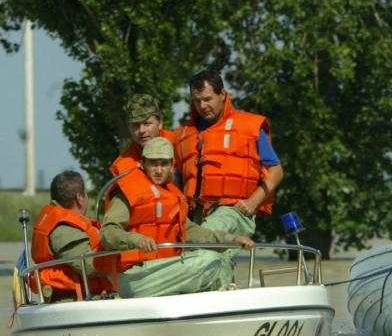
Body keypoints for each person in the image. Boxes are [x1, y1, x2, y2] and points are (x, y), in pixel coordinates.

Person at [99, 137, 255, 298]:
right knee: (209, 260)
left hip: (162, 268)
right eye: (153, 163)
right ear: (143, 163)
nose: (159, 170)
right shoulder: (127, 191)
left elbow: (192, 231)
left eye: (164, 164)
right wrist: (136, 240)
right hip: (135, 276)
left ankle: (223, 307)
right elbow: (107, 233)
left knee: (220, 259)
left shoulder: (173, 194)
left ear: (172, 165)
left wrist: (232, 239)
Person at [175, 69, 283, 237]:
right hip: (195, 213)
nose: (202, 106)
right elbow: (177, 182)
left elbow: (276, 171)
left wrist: (252, 202)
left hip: (234, 210)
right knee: (205, 258)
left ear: (223, 95)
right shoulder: (182, 134)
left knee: (203, 245)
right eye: (197, 101)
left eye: (207, 99)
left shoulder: (249, 126)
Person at [28, 171, 115, 302]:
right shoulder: (64, 229)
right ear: (79, 197)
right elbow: (89, 265)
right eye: (85, 194)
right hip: (73, 300)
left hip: (86, 297)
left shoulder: (66, 223)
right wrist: (123, 256)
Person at [108, 93, 178, 177]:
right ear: (128, 127)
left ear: (160, 123)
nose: (141, 130)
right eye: (136, 125)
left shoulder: (180, 146)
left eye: (147, 123)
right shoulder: (122, 167)